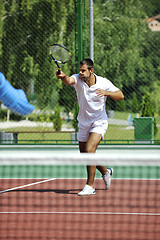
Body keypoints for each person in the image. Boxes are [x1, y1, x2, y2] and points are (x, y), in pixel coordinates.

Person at [56, 58, 124, 196]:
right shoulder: (78, 79)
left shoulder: (104, 82)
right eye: (79, 70)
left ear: (91, 70)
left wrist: (107, 93)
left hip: (99, 122)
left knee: (89, 149)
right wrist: (63, 77)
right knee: (85, 154)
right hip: (83, 122)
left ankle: (90, 185)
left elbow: (120, 95)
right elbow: (69, 80)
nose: (80, 73)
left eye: (83, 70)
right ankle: (106, 171)